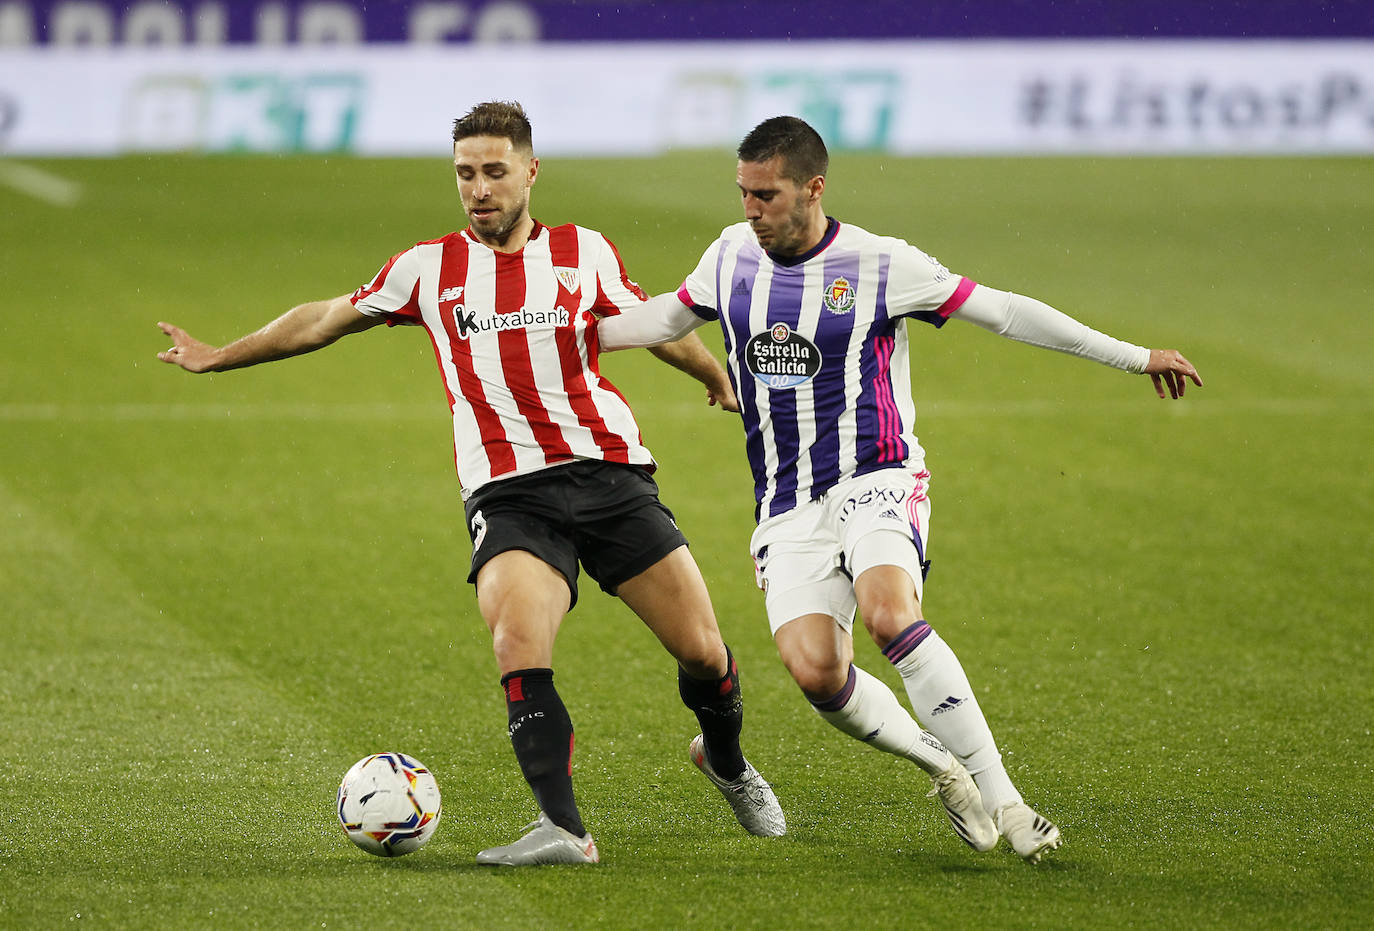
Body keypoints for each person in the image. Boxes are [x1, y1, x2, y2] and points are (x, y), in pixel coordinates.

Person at [156, 100, 786, 866]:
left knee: (704, 653)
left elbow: (649, 323)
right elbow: (324, 318)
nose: (479, 189)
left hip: (610, 474)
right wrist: (220, 354)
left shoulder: (583, 252)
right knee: (518, 639)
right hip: (508, 492)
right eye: (465, 174)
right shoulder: (427, 269)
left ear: (530, 170)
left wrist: (714, 375)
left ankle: (726, 762)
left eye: (494, 171)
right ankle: (565, 827)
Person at [598, 115, 1203, 865]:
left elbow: (1007, 312)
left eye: (767, 194)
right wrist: (560, 332)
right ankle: (945, 768)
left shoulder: (881, 265)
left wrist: (1136, 356)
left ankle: (1008, 801)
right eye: (743, 192)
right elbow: (665, 316)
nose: (751, 209)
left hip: (877, 475)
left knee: (889, 613)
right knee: (818, 672)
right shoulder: (729, 255)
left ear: (813, 189)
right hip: (787, 504)